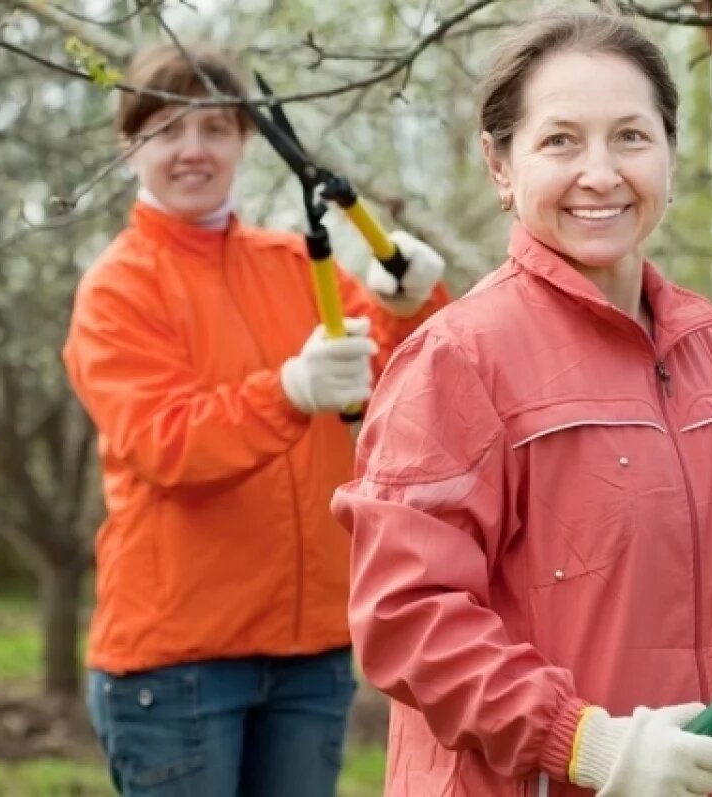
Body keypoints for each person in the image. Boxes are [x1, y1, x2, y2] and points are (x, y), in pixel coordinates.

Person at [332, 9, 712, 797]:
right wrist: (585, 742)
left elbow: (706, 596)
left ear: (670, 154)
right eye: (560, 141)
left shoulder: (707, 342)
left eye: (630, 136)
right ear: (499, 164)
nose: (601, 173)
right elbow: (406, 620)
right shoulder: (458, 359)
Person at [62, 42, 450, 797]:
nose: (193, 150)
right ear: (130, 144)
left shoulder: (291, 263)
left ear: (245, 139)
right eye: (167, 130)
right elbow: (164, 442)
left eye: (214, 128)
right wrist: (288, 392)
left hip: (310, 657)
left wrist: (413, 306)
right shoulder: (117, 289)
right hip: (178, 666)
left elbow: (405, 381)